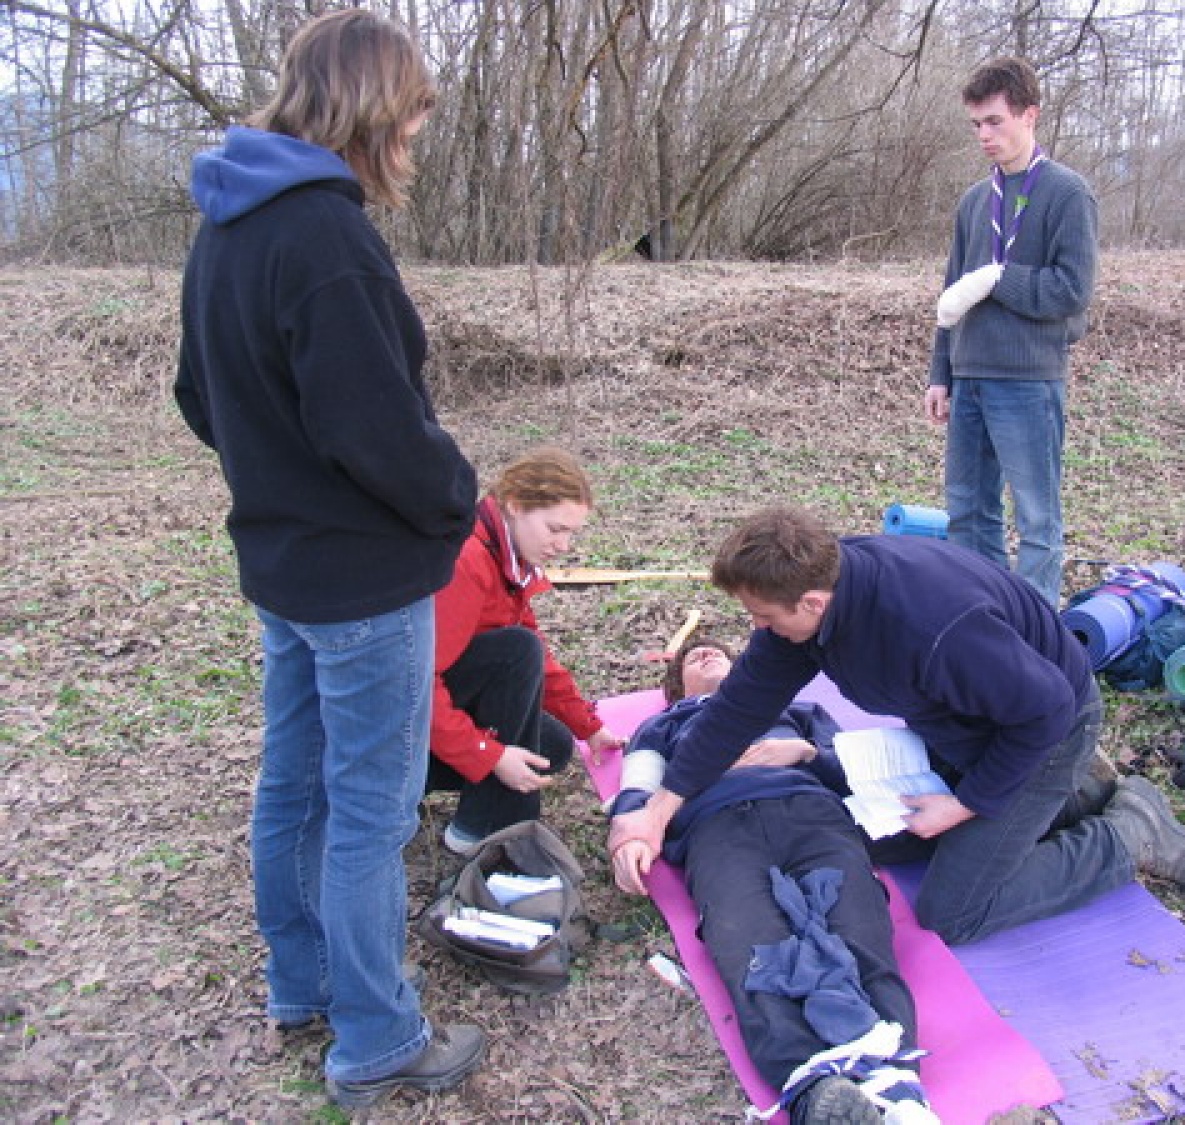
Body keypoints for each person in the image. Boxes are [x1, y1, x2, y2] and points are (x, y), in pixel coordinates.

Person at [173, 9, 487, 1110]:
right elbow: (379, 432)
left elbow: (198, 396)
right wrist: (458, 498)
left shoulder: (228, 221)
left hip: (283, 568)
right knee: (366, 813)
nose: (411, 138)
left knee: (294, 788)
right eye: (408, 116)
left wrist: (280, 481)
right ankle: (376, 1035)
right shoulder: (324, 237)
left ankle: (300, 986)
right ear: (370, 109)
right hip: (359, 581)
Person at [610, 507, 1185, 948]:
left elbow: (1046, 710)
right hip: (962, 722)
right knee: (880, 837)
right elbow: (737, 708)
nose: (759, 630)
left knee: (955, 910)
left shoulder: (930, 625)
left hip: (1042, 729)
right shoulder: (808, 601)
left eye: (764, 618)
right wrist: (661, 808)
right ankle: (1066, 805)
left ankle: (1131, 833)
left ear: (813, 604)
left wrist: (963, 806)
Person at [610, 640, 935, 1125]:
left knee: (856, 918)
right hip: (716, 827)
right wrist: (628, 838)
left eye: (714, 650)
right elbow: (636, 789)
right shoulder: (660, 726)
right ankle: (815, 1089)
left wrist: (805, 751)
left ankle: (891, 1076)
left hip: (810, 812)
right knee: (747, 940)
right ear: (676, 686)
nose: (704, 655)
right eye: (692, 657)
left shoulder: (792, 707)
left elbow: (856, 770)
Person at [923, 57, 1099, 608]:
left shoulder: (1068, 194)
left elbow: (1071, 292)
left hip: (1027, 382)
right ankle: (983, 618)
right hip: (969, 376)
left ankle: (1037, 636)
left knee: (1036, 517)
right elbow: (952, 295)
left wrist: (999, 279)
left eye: (995, 121)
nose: (984, 135)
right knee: (968, 512)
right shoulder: (975, 202)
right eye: (976, 124)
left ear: (1029, 115)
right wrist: (940, 373)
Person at [429, 445, 622, 856]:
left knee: (550, 744)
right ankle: (487, 829)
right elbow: (411, 686)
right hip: (398, 724)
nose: (564, 545)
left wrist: (588, 726)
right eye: (555, 529)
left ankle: (463, 803)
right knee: (517, 652)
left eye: (572, 533)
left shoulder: (504, 553)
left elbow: (537, 653)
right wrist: (490, 755)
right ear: (514, 505)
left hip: (437, 705)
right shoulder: (467, 560)